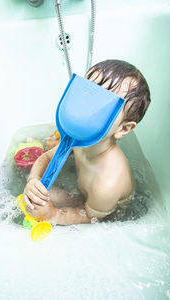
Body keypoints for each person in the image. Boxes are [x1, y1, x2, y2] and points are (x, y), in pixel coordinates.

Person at [23, 59, 151, 225]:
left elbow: (90, 216)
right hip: (85, 194)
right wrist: (33, 179)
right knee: (40, 194)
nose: (89, 108)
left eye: (105, 106)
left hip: (104, 211)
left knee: (45, 204)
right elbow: (46, 158)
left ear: (123, 129)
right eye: (88, 94)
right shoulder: (79, 138)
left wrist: (52, 214)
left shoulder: (107, 183)